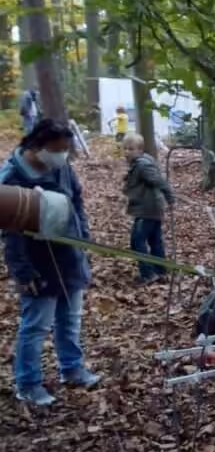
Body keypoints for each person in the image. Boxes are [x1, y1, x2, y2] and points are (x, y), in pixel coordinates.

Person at [0, 119, 100, 405]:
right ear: (37, 147)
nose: (63, 155)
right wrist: (22, 270)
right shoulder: (12, 176)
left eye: (66, 149)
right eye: (57, 150)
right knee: (36, 326)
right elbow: (11, 231)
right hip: (37, 263)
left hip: (69, 257)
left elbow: (76, 201)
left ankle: (73, 368)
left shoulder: (63, 167)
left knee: (70, 321)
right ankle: (28, 383)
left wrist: (83, 237)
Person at [122, 134, 174, 285]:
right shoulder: (140, 163)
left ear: (139, 149)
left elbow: (159, 181)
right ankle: (160, 271)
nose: (127, 152)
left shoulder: (142, 165)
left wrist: (170, 197)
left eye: (131, 149)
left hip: (147, 209)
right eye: (125, 149)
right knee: (154, 240)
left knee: (137, 241)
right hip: (152, 208)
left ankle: (148, 274)